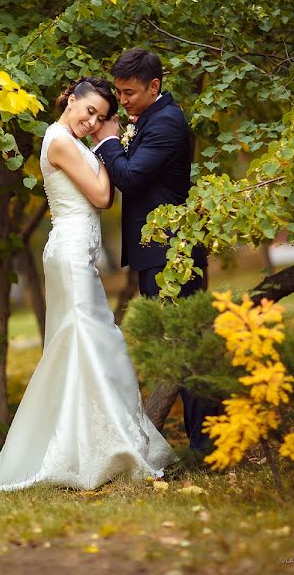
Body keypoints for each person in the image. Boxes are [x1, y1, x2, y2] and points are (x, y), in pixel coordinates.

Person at [0, 77, 177, 499]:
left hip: (77, 255)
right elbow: (103, 196)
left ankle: (94, 447)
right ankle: (105, 449)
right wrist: (111, 146)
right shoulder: (59, 140)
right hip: (70, 256)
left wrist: (104, 147)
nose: (93, 122)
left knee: (87, 346)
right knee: (89, 342)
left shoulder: (75, 141)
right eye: (89, 111)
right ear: (71, 100)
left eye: (102, 118)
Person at [92, 48, 219, 453]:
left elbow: (128, 177)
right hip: (160, 253)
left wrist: (109, 141)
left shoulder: (166, 123)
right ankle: (205, 441)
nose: (122, 100)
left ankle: (208, 444)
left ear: (155, 87)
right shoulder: (148, 118)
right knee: (178, 345)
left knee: (186, 347)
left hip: (171, 255)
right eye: (119, 91)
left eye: (129, 92)